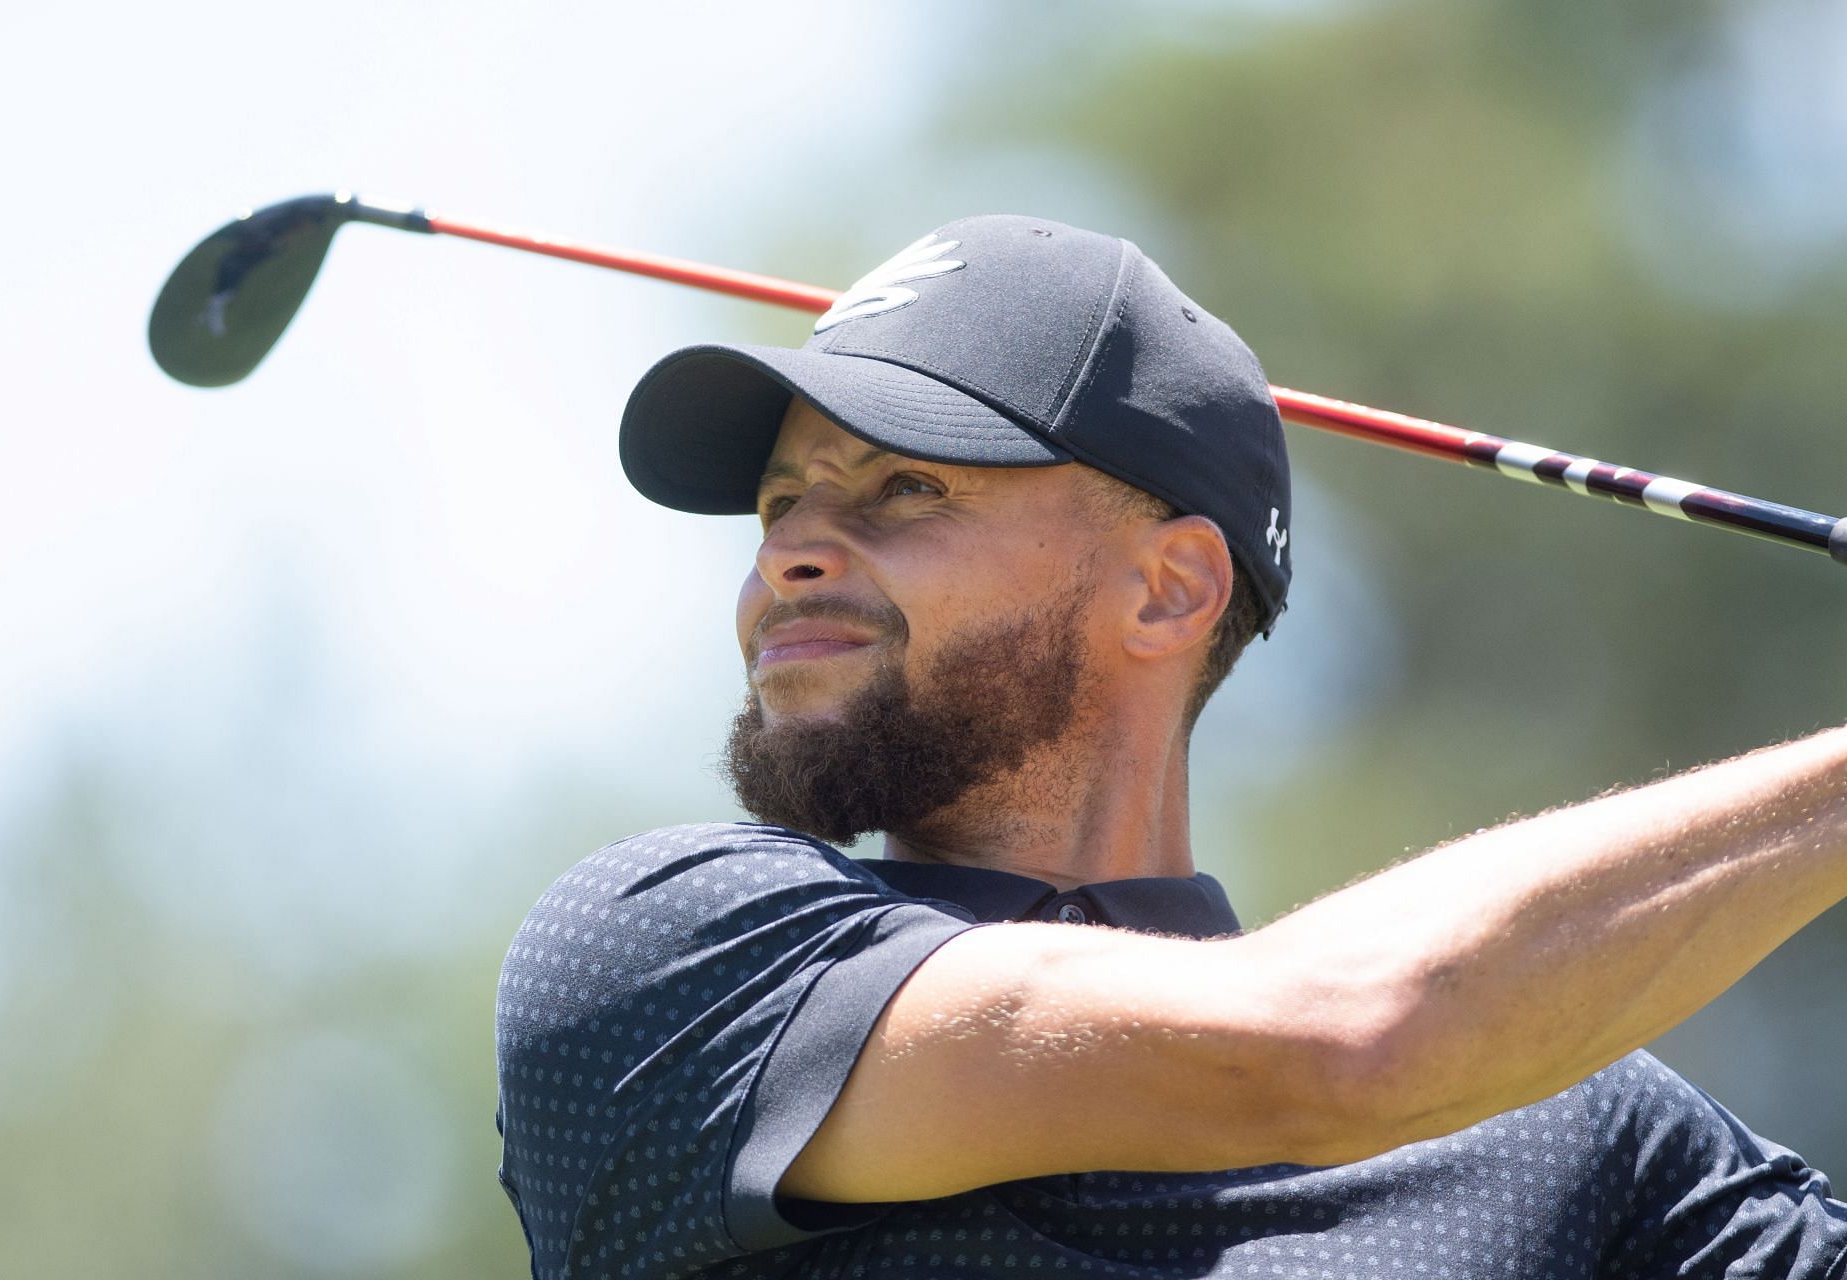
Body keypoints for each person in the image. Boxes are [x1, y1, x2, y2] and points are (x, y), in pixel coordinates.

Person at [494, 214, 1847, 1279]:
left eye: (904, 483)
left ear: (1171, 591)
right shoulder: (670, 961)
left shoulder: (1571, 1128)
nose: (790, 551)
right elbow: (1339, 1039)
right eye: (783, 501)